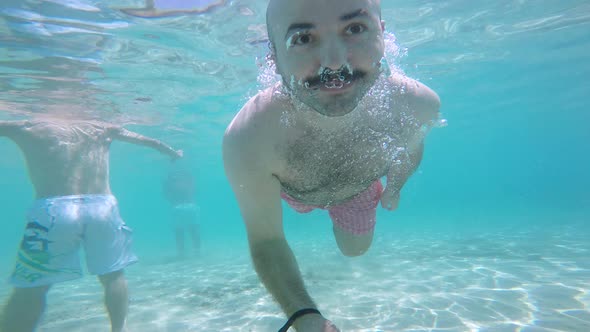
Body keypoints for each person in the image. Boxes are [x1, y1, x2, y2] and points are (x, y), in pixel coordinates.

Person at [222, 0, 441, 331]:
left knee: (355, 250)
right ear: (274, 57)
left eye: (355, 29)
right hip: (293, 190)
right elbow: (266, 240)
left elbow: (410, 150)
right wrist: (303, 316)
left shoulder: (418, 105)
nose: (335, 63)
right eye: (304, 38)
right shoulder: (250, 137)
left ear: (383, 35)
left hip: (358, 190)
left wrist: (394, 188)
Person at [0, 116, 182, 332]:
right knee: (113, 275)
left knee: (31, 287)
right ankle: (119, 329)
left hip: (54, 209)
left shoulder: (28, 125)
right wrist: (173, 153)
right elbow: (150, 142)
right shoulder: (101, 126)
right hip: (102, 207)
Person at [163, 168, 200, 257]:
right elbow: (193, 189)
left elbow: (167, 194)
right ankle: (197, 251)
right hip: (189, 206)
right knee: (192, 228)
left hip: (178, 207)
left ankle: (182, 252)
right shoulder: (188, 180)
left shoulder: (170, 182)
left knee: (179, 230)